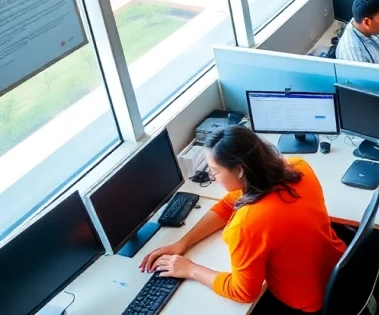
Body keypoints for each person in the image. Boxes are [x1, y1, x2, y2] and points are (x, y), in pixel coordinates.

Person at [140, 126, 347, 314]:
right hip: (338, 269)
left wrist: (190, 269)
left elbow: (243, 292)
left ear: (239, 170)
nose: (212, 177)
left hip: (309, 300)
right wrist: (183, 242)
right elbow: (230, 202)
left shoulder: (247, 224)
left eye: (215, 171)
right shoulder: (297, 167)